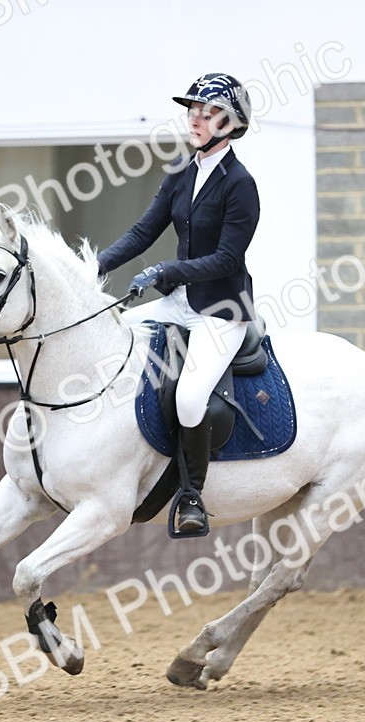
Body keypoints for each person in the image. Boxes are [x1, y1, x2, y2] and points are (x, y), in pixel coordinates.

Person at [96, 72, 260, 535]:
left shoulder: (240, 184)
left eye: (208, 114)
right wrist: (92, 266)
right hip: (178, 302)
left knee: (190, 397)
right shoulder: (181, 171)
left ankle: (191, 495)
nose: (196, 120)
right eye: (193, 111)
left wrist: (165, 272)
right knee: (116, 333)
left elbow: (227, 259)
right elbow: (142, 232)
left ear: (230, 124)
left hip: (221, 310)